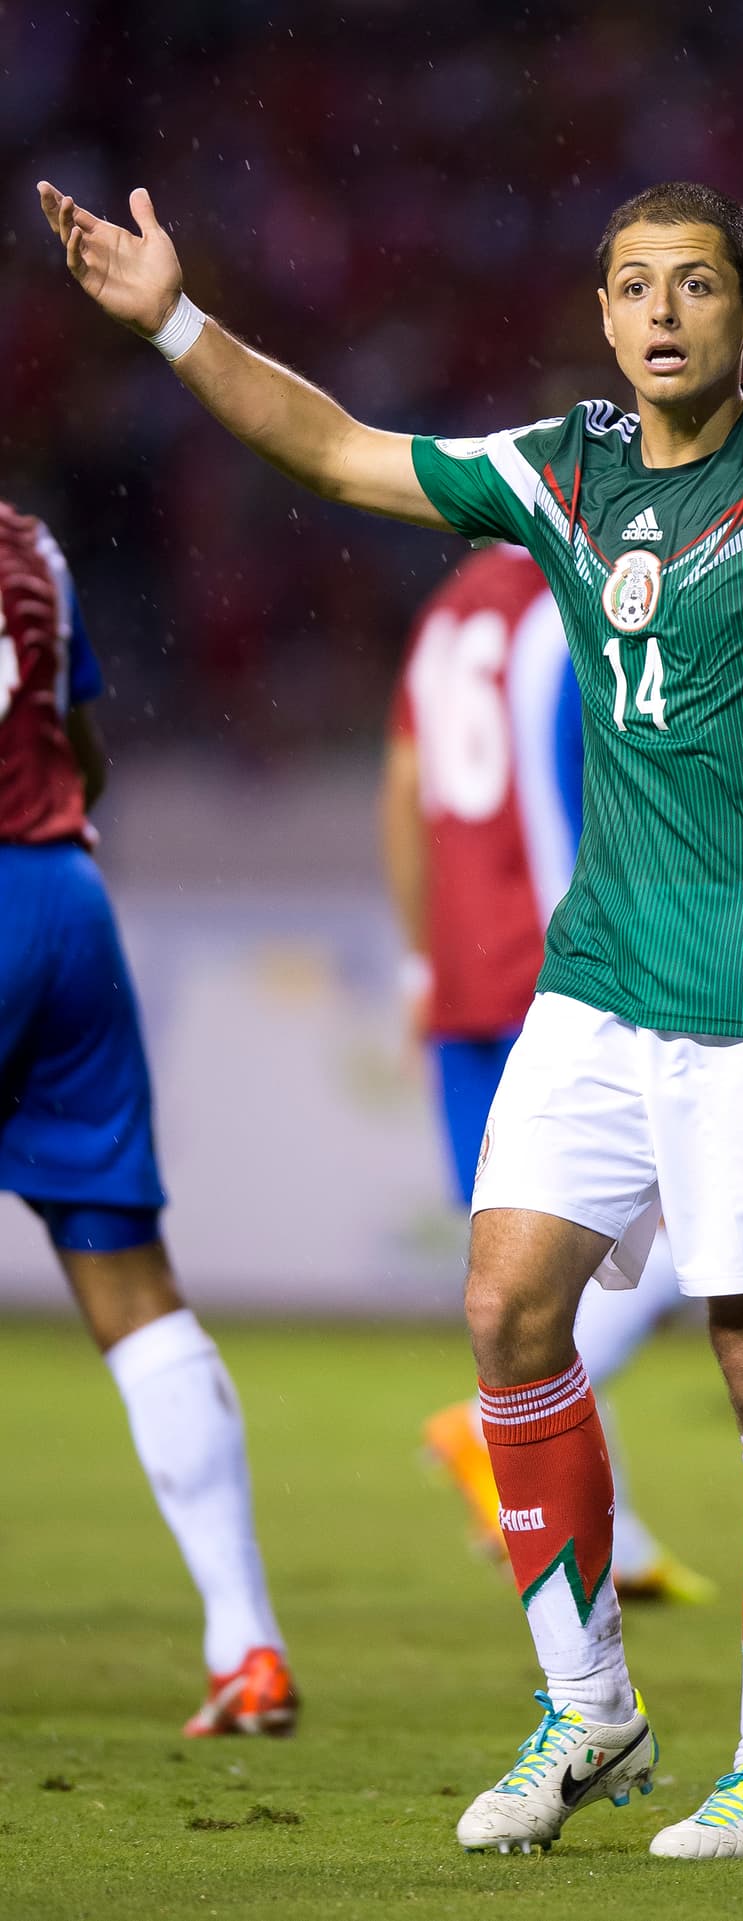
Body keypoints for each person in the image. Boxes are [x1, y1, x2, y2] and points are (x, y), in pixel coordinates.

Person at [38, 170, 743, 1857]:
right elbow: (341, 452)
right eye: (636, 284)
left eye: (697, 283)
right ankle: (590, 1712)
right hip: (598, 984)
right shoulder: (561, 469)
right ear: (601, 313)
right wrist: (175, 323)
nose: (664, 311)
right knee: (507, 1311)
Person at [0, 497, 297, 1738]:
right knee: (129, 1284)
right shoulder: (31, 544)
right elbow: (86, 755)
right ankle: (246, 1640)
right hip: (61, 901)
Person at [382, 539, 709, 1601]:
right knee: (685, 1227)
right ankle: (489, 1427)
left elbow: (403, 784)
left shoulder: (448, 613)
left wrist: (421, 958)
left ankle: (613, 1541)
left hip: (462, 978)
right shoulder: (583, 587)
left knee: (536, 1263)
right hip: (570, 968)